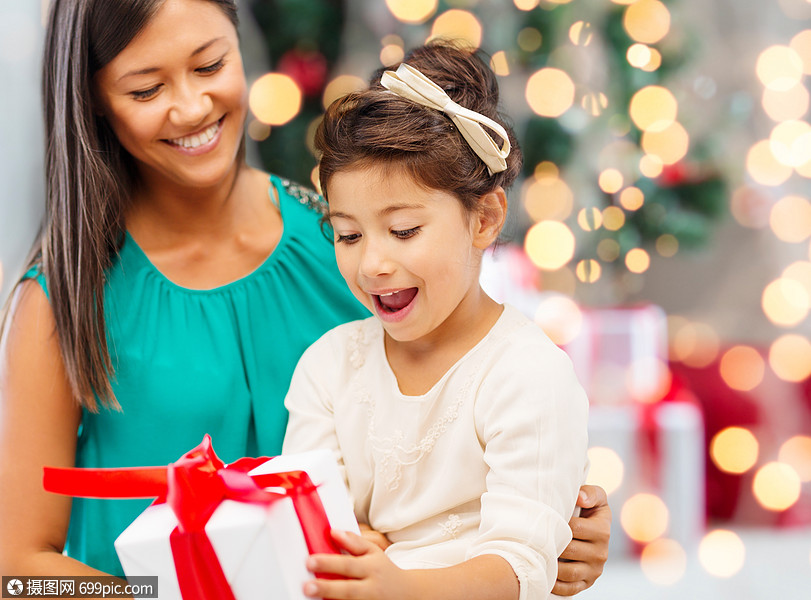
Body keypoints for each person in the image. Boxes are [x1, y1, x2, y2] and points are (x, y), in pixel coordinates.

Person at [0, 0, 609, 594]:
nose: (190, 107)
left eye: (210, 66)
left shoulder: (346, 243)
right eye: (145, 90)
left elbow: (463, 450)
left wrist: (558, 528)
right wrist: (148, 595)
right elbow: (19, 573)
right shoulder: (63, 299)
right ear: (95, 103)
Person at [282, 41, 594, 600]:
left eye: (403, 231)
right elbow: (307, 526)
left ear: (485, 218)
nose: (372, 263)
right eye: (348, 235)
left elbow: (521, 567)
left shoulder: (528, 374)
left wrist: (398, 585)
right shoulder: (328, 366)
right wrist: (348, 545)